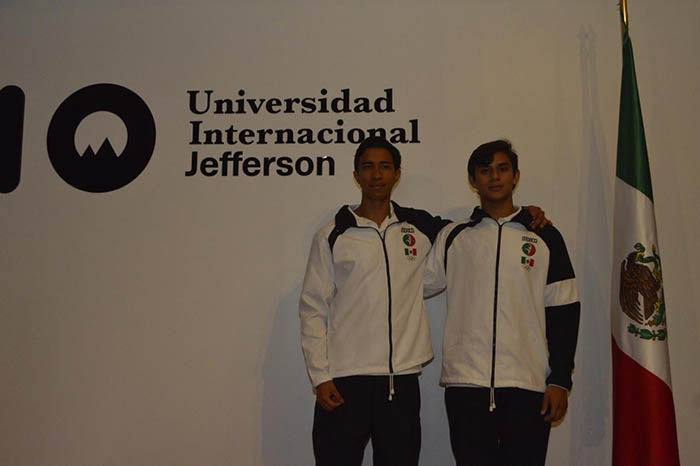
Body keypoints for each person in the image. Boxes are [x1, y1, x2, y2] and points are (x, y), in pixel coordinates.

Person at [299, 136, 549, 466]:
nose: (377, 175)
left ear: (397, 174)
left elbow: (480, 230)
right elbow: (313, 308)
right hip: (344, 381)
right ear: (356, 174)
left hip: (401, 383)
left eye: (385, 167)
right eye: (368, 167)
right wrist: (320, 376)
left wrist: (523, 216)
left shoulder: (420, 226)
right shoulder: (333, 234)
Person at [424, 139, 581, 466]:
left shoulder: (545, 236)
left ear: (515, 176)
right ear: (473, 180)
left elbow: (564, 311)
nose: (494, 177)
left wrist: (559, 380)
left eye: (502, 169)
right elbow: (413, 285)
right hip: (466, 385)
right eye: (485, 170)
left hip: (527, 385)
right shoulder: (454, 236)